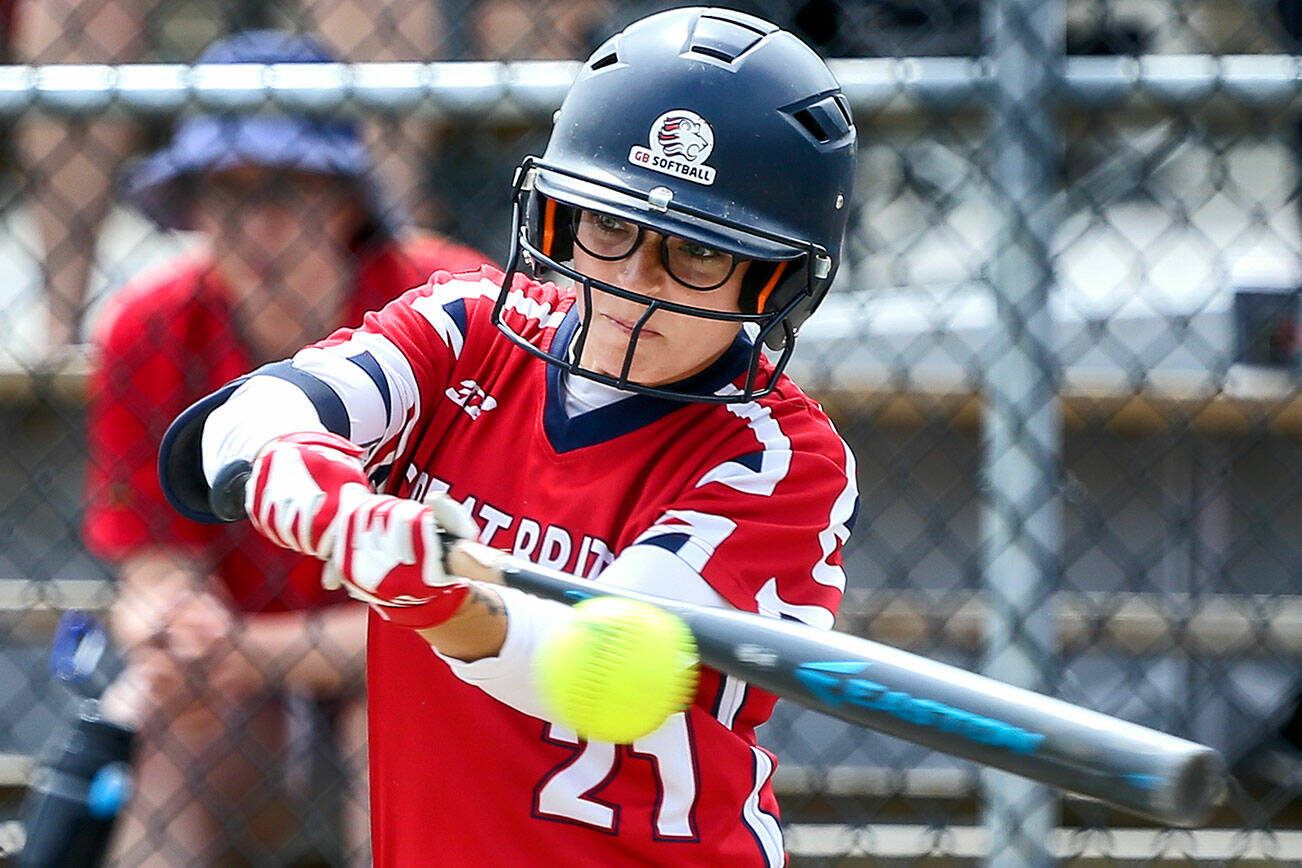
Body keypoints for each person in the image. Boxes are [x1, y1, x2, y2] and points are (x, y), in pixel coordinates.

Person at [161, 7, 858, 865]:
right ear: (560, 216)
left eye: (698, 254)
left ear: (773, 280)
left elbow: (588, 673)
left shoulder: (778, 459)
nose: (635, 285)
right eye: (610, 226)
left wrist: (445, 598)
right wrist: (333, 508)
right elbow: (248, 421)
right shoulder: (469, 329)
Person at [81, 30, 490, 867]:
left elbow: (467, 597)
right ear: (191, 206)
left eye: (286, 190)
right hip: (237, 691)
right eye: (225, 194)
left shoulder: (452, 312)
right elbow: (153, 569)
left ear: (344, 201)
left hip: (421, 654)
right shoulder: (146, 326)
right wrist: (169, 624)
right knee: (172, 723)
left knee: (401, 716)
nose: (255, 224)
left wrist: (246, 650)